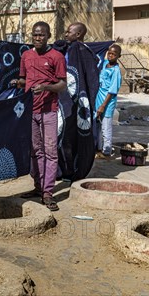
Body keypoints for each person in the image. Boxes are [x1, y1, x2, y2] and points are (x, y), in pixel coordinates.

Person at [17, 22, 67, 212]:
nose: (38, 38)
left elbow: (63, 84)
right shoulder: (26, 55)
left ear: (48, 36)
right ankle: (38, 187)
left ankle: (48, 193)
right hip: (31, 111)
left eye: (41, 35)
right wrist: (18, 83)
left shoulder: (57, 57)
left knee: (50, 152)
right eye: (35, 35)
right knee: (35, 151)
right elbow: (24, 80)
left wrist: (46, 87)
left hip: (49, 111)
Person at [54, 22, 100, 182]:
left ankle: (70, 170)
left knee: (68, 136)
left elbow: (85, 77)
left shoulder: (78, 50)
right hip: (71, 101)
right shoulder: (74, 49)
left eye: (69, 32)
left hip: (75, 102)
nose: (66, 34)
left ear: (78, 34)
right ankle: (68, 169)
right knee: (67, 136)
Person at [95, 44, 122, 158]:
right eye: (109, 53)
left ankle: (107, 151)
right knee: (97, 126)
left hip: (107, 101)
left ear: (118, 56)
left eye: (113, 54)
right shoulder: (105, 64)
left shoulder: (116, 71)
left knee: (106, 127)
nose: (110, 56)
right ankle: (98, 148)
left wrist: (103, 105)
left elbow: (112, 91)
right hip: (98, 98)